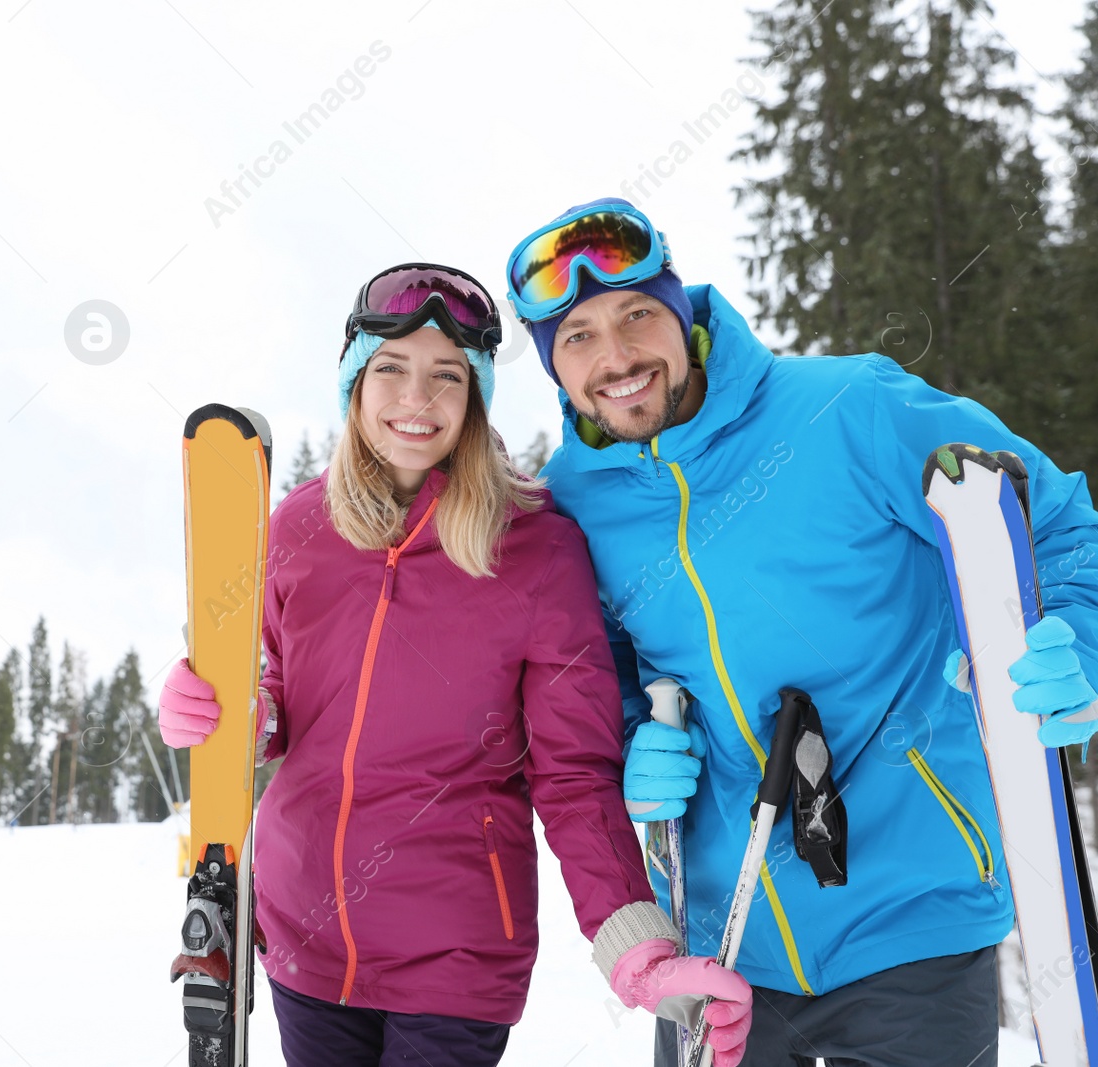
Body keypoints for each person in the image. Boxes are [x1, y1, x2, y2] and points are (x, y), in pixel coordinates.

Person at [504, 197, 1098, 1066]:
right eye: (579, 335)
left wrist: (1077, 636)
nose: (618, 355)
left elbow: (1056, 525)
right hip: (720, 944)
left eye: (636, 315)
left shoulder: (849, 407)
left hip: (910, 921)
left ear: (682, 311)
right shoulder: (574, 505)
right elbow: (605, 674)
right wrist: (636, 739)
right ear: (553, 364)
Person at [157, 262, 753, 1067]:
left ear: (473, 398)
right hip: (301, 937)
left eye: (447, 377)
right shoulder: (298, 526)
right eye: (392, 370)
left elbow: (573, 775)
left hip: (455, 959)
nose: (417, 399)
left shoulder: (537, 548)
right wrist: (227, 713)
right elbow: (275, 690)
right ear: (355, 387)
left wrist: (633, 943)